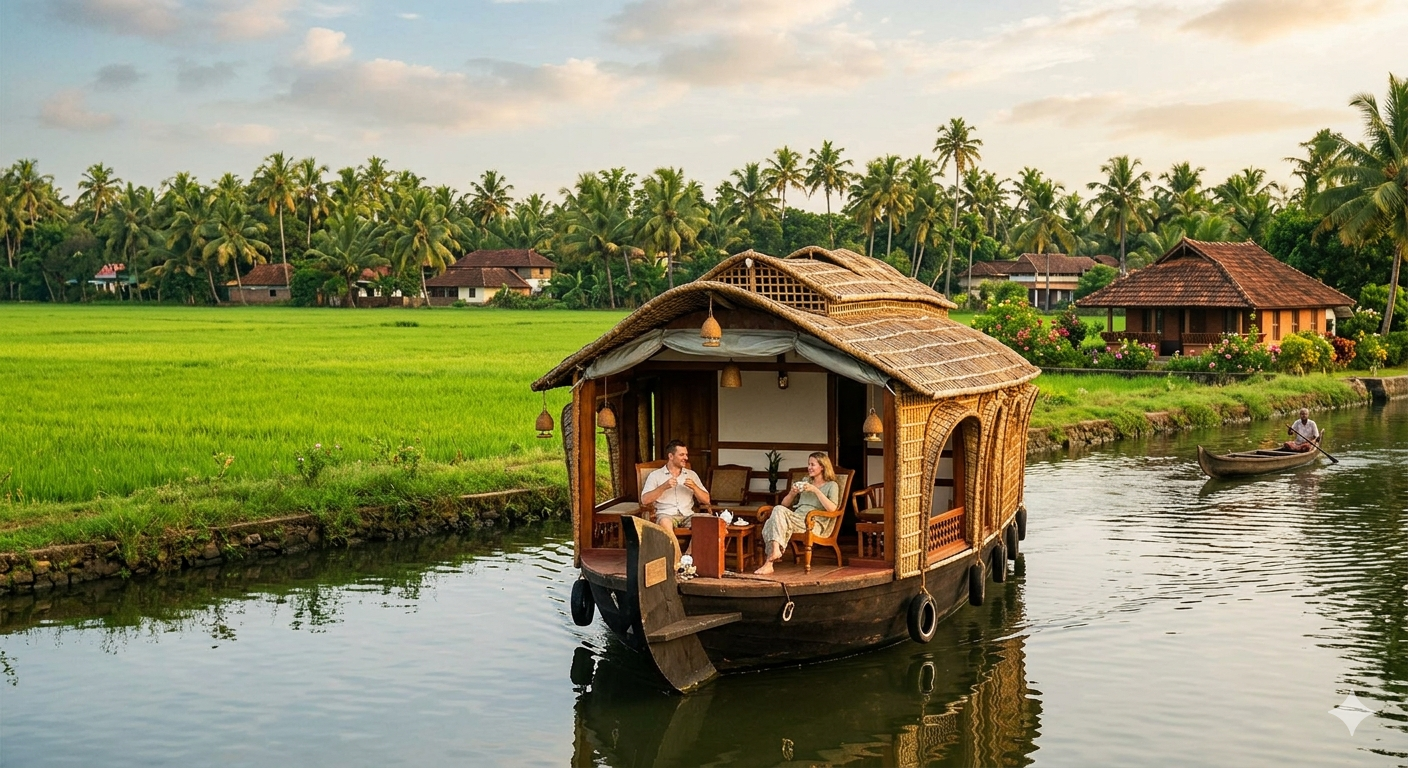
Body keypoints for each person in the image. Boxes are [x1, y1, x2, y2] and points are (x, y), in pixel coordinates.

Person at [754, 452, 840, 575]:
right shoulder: (805, 481)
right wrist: (792, 493)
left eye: (812, 464)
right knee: (777, 511)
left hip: (813, 522)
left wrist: (815, 490)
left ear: (822, 467)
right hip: (797, 518)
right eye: (808, 464)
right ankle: (775, 551)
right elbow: (784, 505)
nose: (809, 467)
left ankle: (769, 562)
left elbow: (832, 509)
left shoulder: (832, 485)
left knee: (771, 520)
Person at [641, 440, 710, 564]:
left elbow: (706, 500)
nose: (686, 458)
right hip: (666, 514)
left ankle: (688, 558)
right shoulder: (655, 475)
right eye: (682, 455)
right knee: (664, 522)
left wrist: (695, 487)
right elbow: (645, 500)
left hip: (688, 514)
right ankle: (677, 557)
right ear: (671, 456)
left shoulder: (691, 475)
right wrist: (663, 487)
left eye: (686, 454)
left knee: (707, 520)